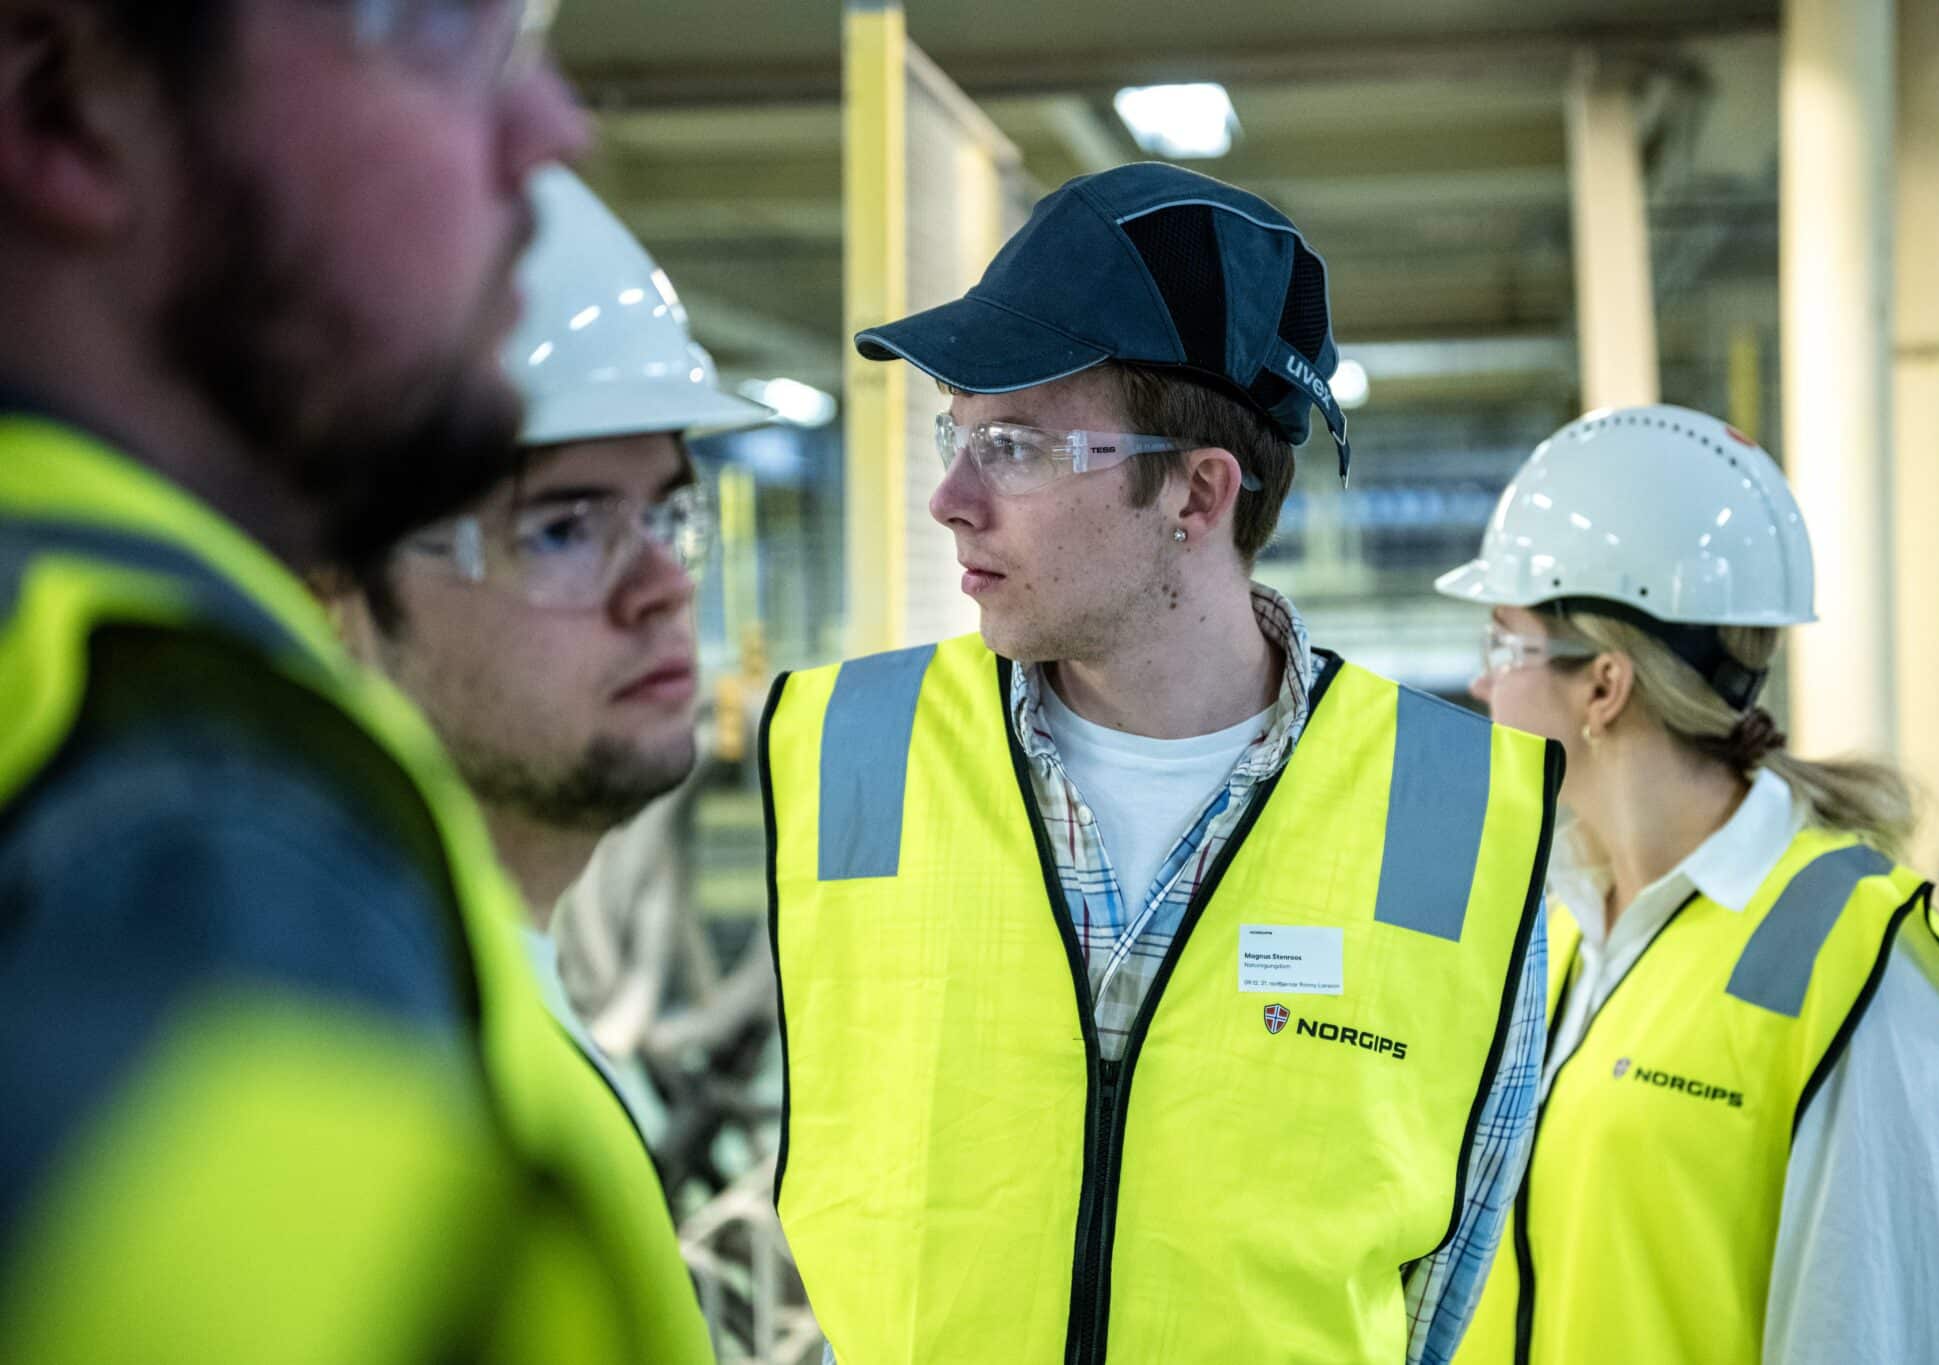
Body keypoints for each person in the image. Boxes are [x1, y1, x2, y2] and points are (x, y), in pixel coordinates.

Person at [0, 4, 713, 1360]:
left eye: (666, 516)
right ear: (64, 107)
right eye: (429, 31)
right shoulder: (201, 816)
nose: (552, 127)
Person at [761, 161, 1562, 1363]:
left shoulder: (1451, 815)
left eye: (1013, 447)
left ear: (1196, 492)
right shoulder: (846, 751)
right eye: (954, 435)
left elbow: (1438, 1303)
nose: (949, 499)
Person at [1437, 403, 1939, 1363]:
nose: (1483, 685)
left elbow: (1873, 1334)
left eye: (1503, 645)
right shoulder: (1566, 933)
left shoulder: (1856, 964)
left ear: (1604, 685)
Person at [332, 163, 767, 1163]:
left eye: (664, 514)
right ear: (333, 589)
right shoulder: (341, 1080)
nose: (664, 585)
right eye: (563, 529)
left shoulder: (491, 1011)